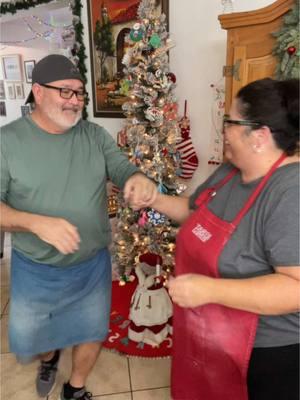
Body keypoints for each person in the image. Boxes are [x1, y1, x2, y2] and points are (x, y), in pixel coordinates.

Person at [0, 54, 157, 400]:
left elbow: (120, 167)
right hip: (35, 268)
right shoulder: (7, 142)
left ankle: (75, 388)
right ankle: (49, 356)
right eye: (65, 92)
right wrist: (34, 222)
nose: (75, 101)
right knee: (38, 339)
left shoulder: (95, 136)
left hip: (90, 264)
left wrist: (137, 178)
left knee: (91, 329)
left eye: (80, 93)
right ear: (38, 92)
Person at [134, 78, 300, 400]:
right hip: (209, 336)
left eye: (230, 122)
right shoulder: (230, 171)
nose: (223, 130)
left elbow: (295, 287)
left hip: (265, 356)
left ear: (259, 136)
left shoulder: (289, 193)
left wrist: (209, 289)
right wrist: (153, 199)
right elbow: (193, 212)